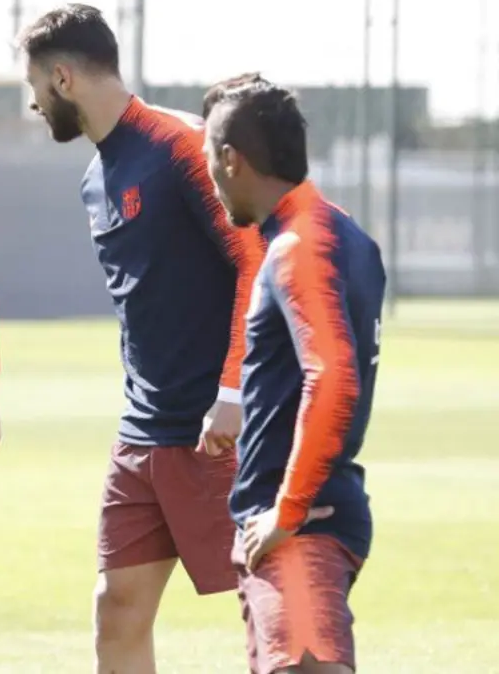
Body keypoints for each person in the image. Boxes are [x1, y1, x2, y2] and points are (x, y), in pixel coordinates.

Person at [13, 3, 266, 672]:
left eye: (34, 84)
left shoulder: (182, 146)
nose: (33, 102)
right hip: (141, 432)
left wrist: (234, 392)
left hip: (219, 428)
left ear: (62, 79)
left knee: (273, 604)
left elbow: (256, 261)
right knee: (117, 607)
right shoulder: (95, 179)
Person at [203, 73, 384, 674]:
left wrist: (287, 508)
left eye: (209, 158)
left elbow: (332, 379)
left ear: (231, 159)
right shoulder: (343, 233)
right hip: (309, 517)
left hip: (300, 529)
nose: (209, 176)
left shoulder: (298, 247)